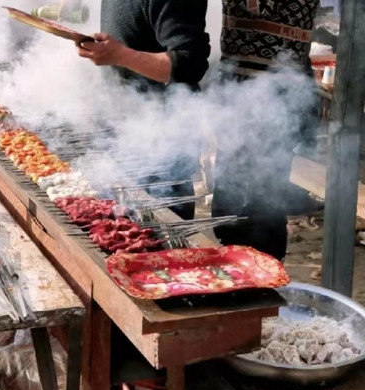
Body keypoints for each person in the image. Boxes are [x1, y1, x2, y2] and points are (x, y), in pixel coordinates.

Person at [74, 0, 210, 220]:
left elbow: (189, 64)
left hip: (162, 145)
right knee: (114, 230)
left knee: (157, 235)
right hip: (120, 134)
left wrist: (120, 55)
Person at [211, 0, 322, 261]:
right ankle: (237, 266)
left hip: (272, 100)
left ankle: (261, 274)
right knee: (233, 207)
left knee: (260, 206)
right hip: (240, 95)